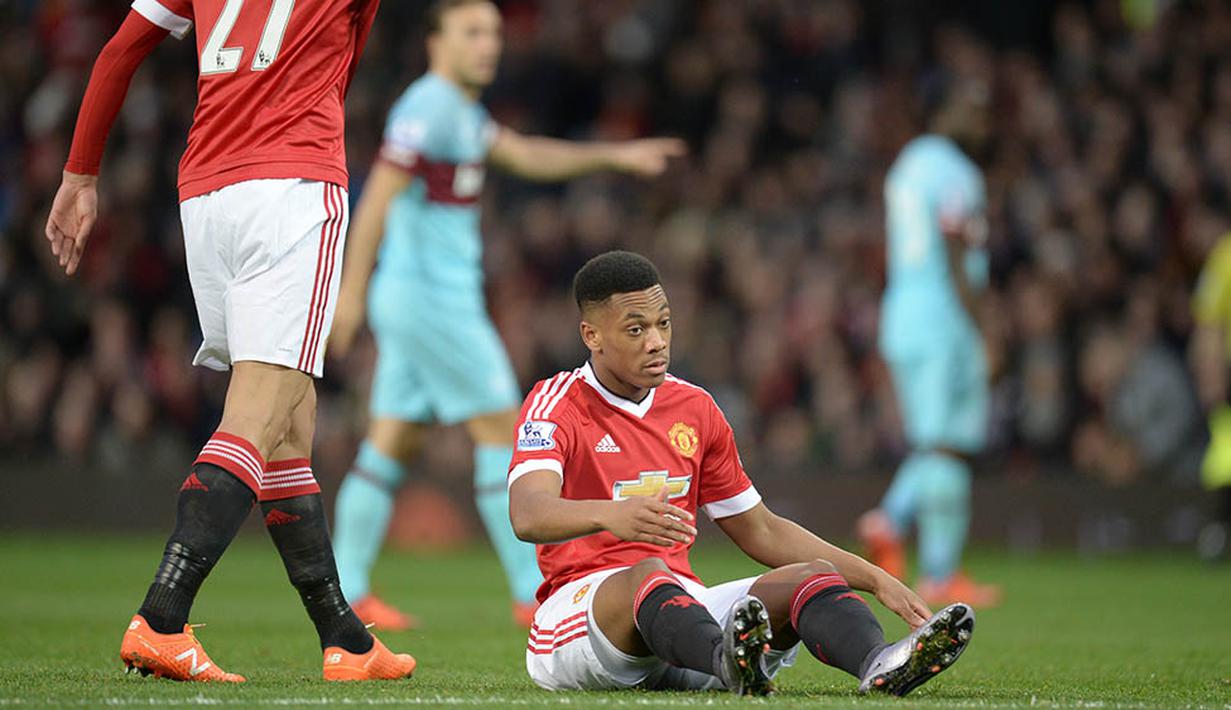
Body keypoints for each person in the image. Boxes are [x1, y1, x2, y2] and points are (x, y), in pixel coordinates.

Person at [44, 0, 414, 682]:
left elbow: (119, 52)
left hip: (207, 195)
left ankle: (346, 642)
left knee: (286, 421)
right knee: (254, 416)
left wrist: (79, 174)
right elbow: (346, 69)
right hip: (293, 184)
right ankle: (162, 618)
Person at [326, 0, 686, 630]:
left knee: (390, 442)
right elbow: (377, 198)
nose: (488, 45)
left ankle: (349, 591)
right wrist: (348, 294)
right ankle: (533, 591)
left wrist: (612, 157)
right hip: (431, 301)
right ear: (437, 41)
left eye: (493, 32)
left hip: (424, 301)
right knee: (503, 429)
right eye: (472, 32)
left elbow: (524, 155)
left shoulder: (461, 114)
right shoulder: (427, 107)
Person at [506, 250, 975, 695]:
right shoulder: (556, 404)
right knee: (647, 573)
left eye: (663, 324)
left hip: (680, 627)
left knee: (811, 575)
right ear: (592, 336)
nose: (657, 342)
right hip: (578, 623)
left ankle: (880, 663)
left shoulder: (695, 407)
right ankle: (727, 659)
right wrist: (611, 514)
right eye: (635, 330)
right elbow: (528, 514)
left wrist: (874, 578)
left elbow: (762, 530)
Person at [857, 82, 1001, 607]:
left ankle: (890, 520)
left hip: (904, 314)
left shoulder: (908, 164)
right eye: (975, 113)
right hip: (945, 318)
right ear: (945, 113)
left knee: (933, 440)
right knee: (947, 444)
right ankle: (937, 570)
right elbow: (957, 243)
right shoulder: (956, 170)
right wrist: (984, 326)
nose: (984, 126)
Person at [1190, 231, 1231, 561]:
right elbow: (1209, 320)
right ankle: (1221, 528)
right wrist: (1210, 376)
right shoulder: (1226, 255)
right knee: (1225, 459)